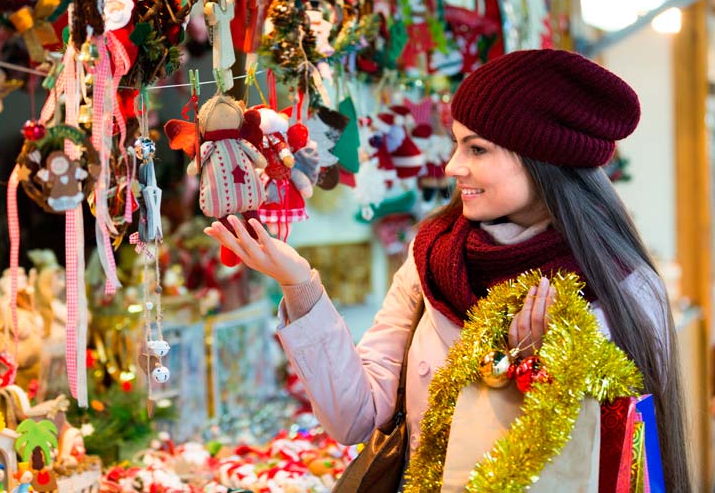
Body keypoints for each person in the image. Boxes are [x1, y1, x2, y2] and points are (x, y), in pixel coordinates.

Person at [204, 49, 690, 490]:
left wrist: (538, 372)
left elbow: (621, 461)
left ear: (544, 159)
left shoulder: (624, 287)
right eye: (456, 144)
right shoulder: (432, 256)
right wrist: (299, 285)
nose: (453, 166)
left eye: (477, 149)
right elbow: (354, 418)